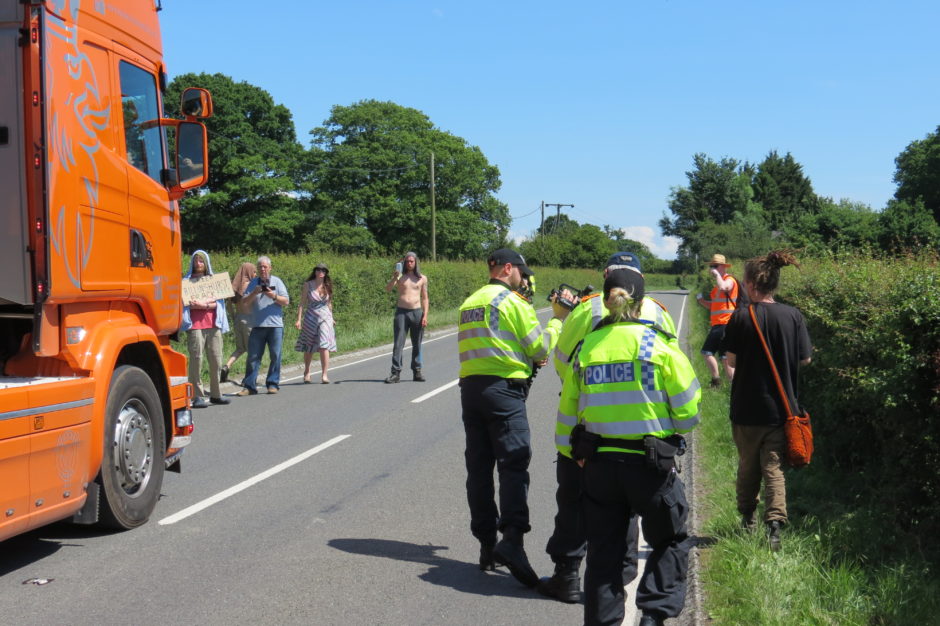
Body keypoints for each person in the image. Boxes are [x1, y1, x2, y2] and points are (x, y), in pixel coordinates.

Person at [558, 269, 701, 626]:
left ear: (605, 300)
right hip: (650, 467)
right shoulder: (657, 345)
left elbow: (567, 416)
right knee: (669, 540)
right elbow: (688, 413)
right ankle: (652, 616)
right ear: (641, 302)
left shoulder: (588, 347)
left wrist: (574, 456)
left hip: (599, 468)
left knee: (603, 555)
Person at [539, 251, 677, 603]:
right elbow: (674, 369)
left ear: (606, 277)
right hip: (643, 431)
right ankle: (622, 573)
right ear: (641, 280)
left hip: (588, 428)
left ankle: (568, 575)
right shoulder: (658, 312)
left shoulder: (587, 310)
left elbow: (562, 363)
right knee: (627, 503)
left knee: (574, 501)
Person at [457, 248, 571, 589]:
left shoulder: (470, 303)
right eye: (521, 270)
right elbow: (539, 349)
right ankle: (513, 541)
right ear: (508, 268)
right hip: (504, 392)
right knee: (513, 465)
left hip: (471, 390)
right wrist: (557, 320)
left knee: (479, 468)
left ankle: (486, 544)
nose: (523, 277)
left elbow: (492, 343)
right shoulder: (512, 302)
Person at [720, 251, 812, 551]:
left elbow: (731, 361)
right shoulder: (793, 316)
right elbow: (805, 359)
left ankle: (748, 519)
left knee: (748, 466)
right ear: (775, 283)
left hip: (746, 409)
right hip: (782, 409)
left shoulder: (740, 317)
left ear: (749, 284)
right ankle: (774, 525)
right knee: (774, 469)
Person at [181, 250, 230, 408]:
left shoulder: (213, 281)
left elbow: (219, 304)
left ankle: (216, 394)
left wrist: (204, 304)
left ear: (206, 263)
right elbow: (185, 303)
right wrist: (198, 304)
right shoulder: (186, 282)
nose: (198, 263)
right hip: (195, 326)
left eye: (201, 260)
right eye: (196, 260)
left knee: (216, 359)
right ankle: (197, 396)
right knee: (196, 360)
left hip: (213, 325)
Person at [236, 256, 289, 396]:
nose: (263, 269)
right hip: (257, 325)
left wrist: (273, 295)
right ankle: (249, 387)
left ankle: (272, 384)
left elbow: (286, 301)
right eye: (260, 267)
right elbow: (244, 302)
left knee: (275, 355)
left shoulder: (277, 281)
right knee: (253, 357)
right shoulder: (253, 283)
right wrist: (254, 292)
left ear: (270, 268)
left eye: (265, 267)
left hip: (275, 326)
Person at [384, 252, 429, 383]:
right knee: (398, 343)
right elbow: (388, 289)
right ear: (404, 263)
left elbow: (425, 298)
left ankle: (417, 371)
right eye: (407, 261)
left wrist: (425, 315)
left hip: (417, 313)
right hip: (401, 313)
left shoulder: (422, 278)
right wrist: (394, 278)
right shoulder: (399, 276)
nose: (409, 263)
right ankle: (395, 373)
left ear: (415, 262)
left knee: (417, 344)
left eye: (411, 261)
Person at [696, 253, 739, 388]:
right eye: (712, 266)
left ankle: (716, 381)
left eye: (715, 266)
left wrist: (716, 275)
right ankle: (733, 387)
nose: (712, 269)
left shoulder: (729, 280)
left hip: (724, 323)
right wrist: (701, 301)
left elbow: (724, 287)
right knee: (725, 358)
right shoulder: (718, 285)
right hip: (721, 324)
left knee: (706, 352)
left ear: (723, 267)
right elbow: (714, 306)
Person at [295, 263, 337, 384]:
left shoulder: (327, 285)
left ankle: (324, 375)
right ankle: (307, 371)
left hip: (325, 318)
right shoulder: (308, 285)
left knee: (324, 345)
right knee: (309, 346)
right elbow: (302, 303)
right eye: (318, 269)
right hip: (311, 318)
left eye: (323, 270)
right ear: (315, 271)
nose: (320, 272)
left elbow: (329, 303)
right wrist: (299, 319)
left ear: (326, 273)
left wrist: (332, 317)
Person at [220, 262, 256, 384]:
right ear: (248, 272)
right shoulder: (251, 286)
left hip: (238, 319)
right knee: (252, 350)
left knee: (240, 348)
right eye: (254, 271)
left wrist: (234, 316)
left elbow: (229, 305)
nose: (255, 274)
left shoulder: (234, 286)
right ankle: (248, 378)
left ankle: (226, 366)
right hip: (249, 320)